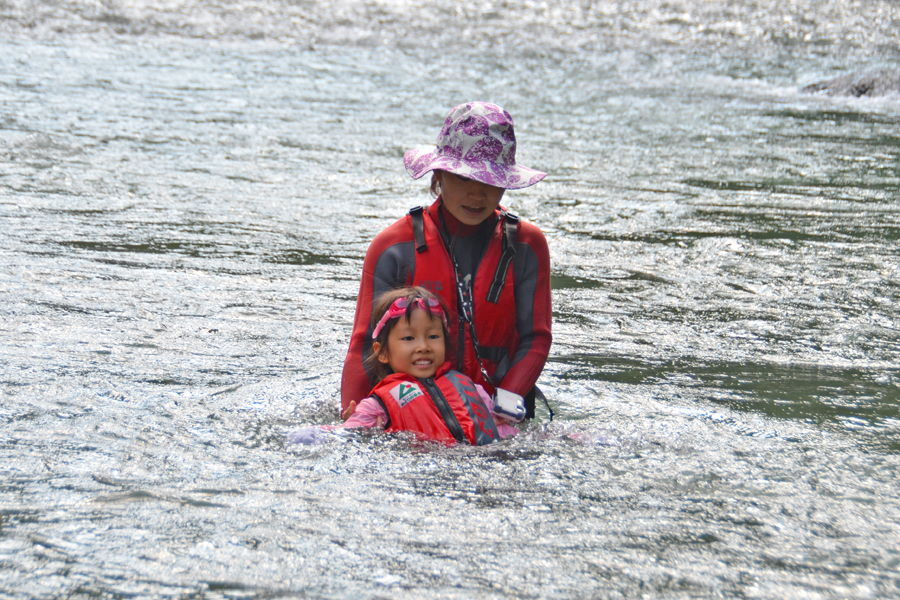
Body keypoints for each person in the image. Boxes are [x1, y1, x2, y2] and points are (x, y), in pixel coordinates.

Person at [341, 101, 552, 422]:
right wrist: (353, 416)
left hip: (497, 415)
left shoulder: (526, 245)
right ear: (438, 175)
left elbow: (535, 339)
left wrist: (505, 410)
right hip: (412, 415)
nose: (478, 195)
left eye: (490, 181)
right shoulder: (393, 247)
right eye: (464, 179)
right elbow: (364, 344)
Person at [290, 287, 517, 445]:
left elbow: (503, 432)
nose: (423, 347)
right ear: (383, 353)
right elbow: (347, 434)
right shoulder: (377, 406)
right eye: (408, 338)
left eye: (433, 337)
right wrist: (313, 434)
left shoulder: (471, 388)